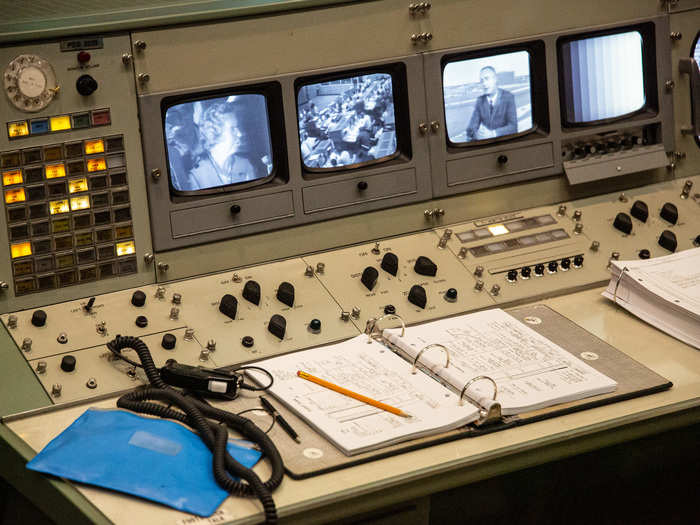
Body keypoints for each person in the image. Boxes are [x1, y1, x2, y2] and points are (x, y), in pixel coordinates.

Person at [188, 101, 267, 189]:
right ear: (214, 132)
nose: (240, 134)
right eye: (233, 129)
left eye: (237, 128)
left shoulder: (246, 164)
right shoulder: (196, 175)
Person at [466, 66, 517, 141]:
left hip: (503, 142)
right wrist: (478, 134)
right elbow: (471, 128)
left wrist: (493, 134)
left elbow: (513, 127)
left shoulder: (508, 97)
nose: (484, 84)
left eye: (487, 79)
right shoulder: (480, 100)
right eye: (481, 81)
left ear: (495, 79)